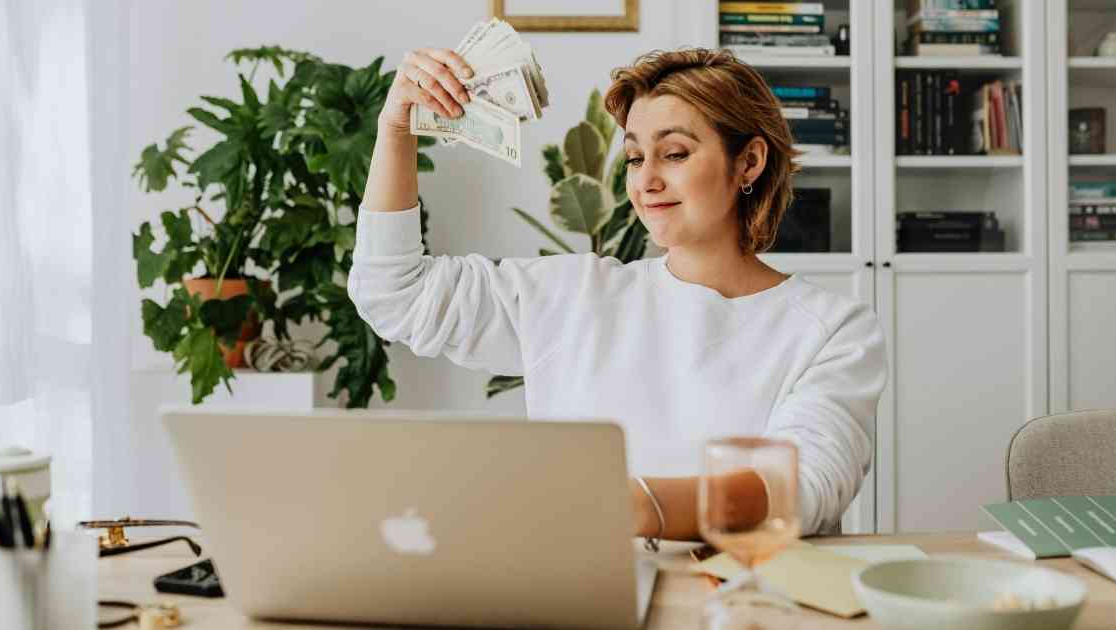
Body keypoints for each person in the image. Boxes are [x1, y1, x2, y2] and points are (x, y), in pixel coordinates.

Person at [349, 46, 887, 544]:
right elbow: (394, 293)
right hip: (581, 593)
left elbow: (803, 489)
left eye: (674, 153)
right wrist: (396, 131)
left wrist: (621, 504)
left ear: (748, 162)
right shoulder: (573, 296)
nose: (646, 180)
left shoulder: (832, 330)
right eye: (634, 158)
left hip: (738, 602)